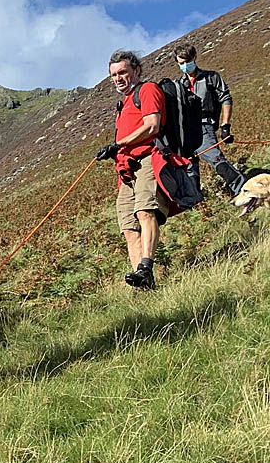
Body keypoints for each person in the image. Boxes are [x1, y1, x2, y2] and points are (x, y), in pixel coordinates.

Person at [95, 50, 168, 290]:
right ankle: (144, 283)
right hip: (127, 171)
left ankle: (145, 266)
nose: (118, 78)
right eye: (114, 75)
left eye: (122, 72)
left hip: (148, 159)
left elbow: (152, 125)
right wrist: (116, 151)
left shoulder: (147, 90)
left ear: (136, 70)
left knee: (146, 211)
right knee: (128, 227)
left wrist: (119, 144)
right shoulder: (124, 103)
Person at [174, 43, 245, 196]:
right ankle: (196, 201)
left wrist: (225, 125)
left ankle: (243, 189)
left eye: (187, 61)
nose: (185, 65)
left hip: (204, 125)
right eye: (181, 63)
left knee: (215, 158)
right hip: (185, 131)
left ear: (194, 58)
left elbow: (225, 98)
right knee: (189, 165)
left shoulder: (211, 77)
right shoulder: (178, 84)